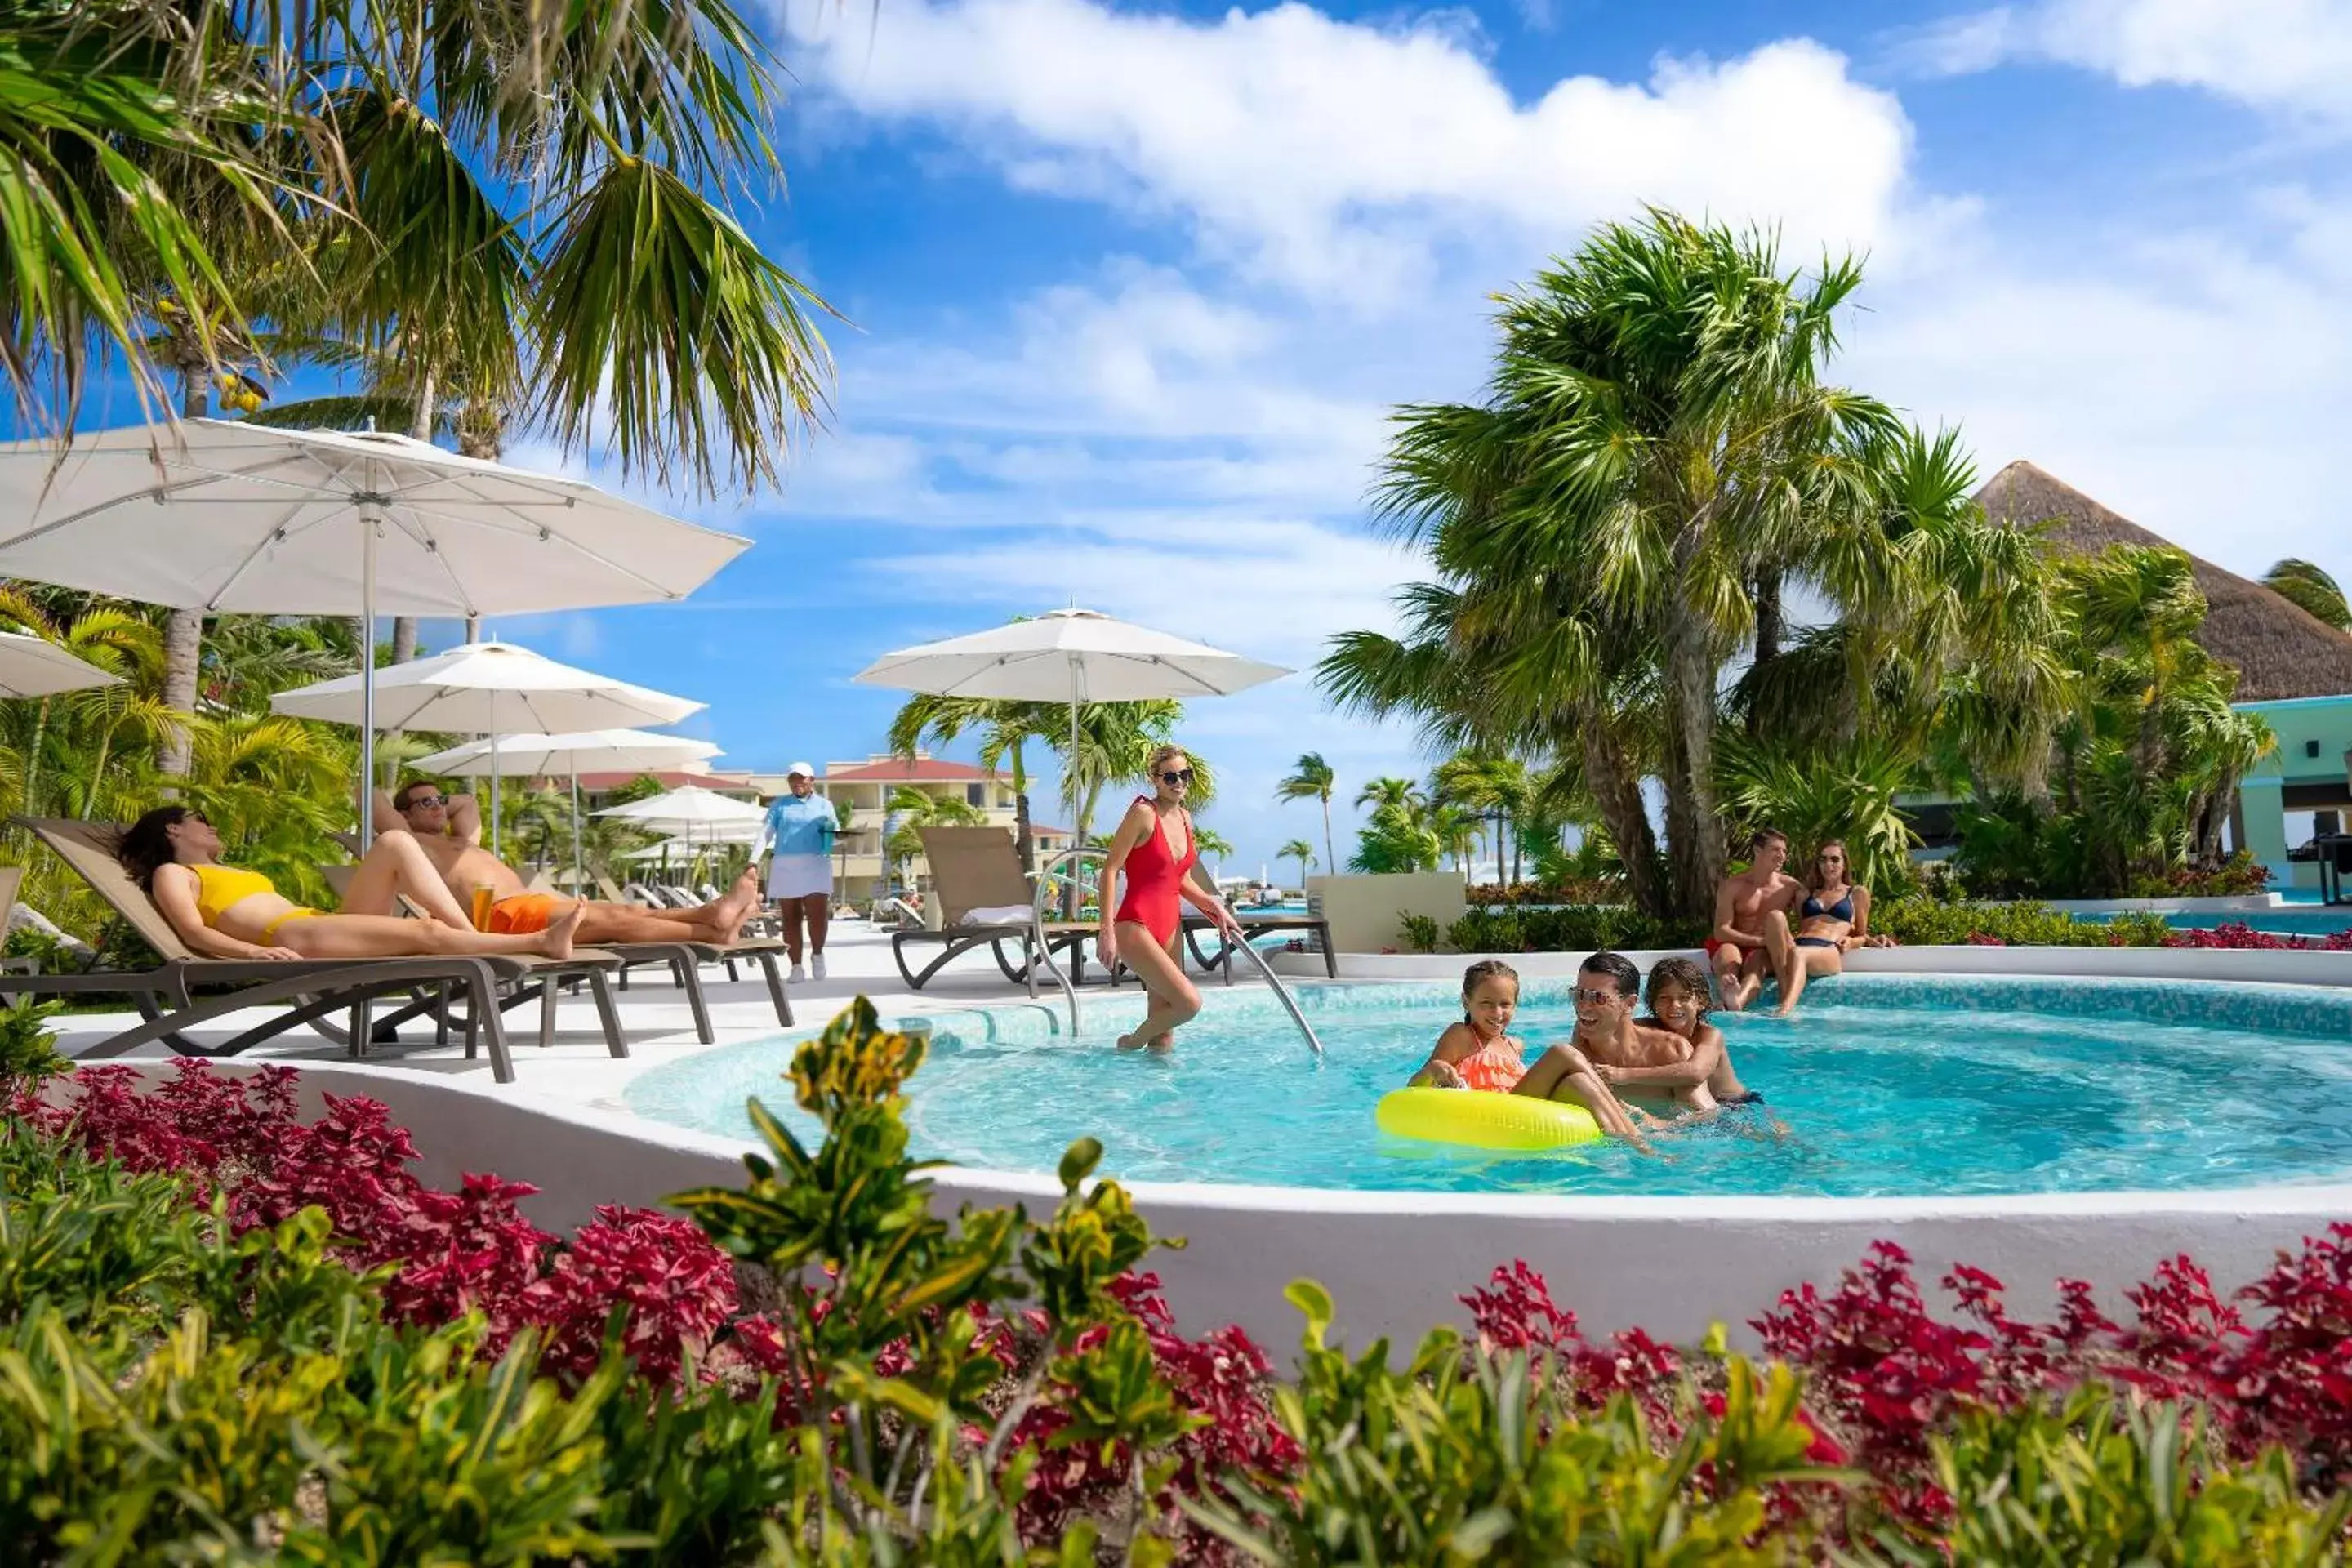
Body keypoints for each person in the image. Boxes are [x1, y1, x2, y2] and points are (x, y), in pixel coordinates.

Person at [120, 805, 583, 963]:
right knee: (425, 933)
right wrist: (252, 953)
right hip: (288, 936)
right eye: (200, 820)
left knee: (397, 841)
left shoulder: (232, 869)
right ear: (173, 830)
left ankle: (475, 937)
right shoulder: (174, 873)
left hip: (319, 923)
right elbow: (192, 933)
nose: (211, 826)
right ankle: (541, 942)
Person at [374, 782, 762, 947]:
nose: (441, 805)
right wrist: (407, 810)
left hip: (526, 903)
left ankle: (713, 918)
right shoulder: (411, 845)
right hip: (500, 917)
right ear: (403, 815)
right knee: (616, 924)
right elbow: (370, 797)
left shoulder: (460, 842)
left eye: (441, 798)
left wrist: (435, 802)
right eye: (426, 803)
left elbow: (468, 802)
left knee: (624, 911)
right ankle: (712, 927)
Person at [1096, 746, 1244, 1054]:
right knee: (1188, 1003)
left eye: (1184, 775)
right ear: (1155, 780)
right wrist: (1106, 931)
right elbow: (1110, 870)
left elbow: (1182, 880)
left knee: (1164, 1031)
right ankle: (1129, 1044)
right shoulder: (1143, 814)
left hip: (1170, 925)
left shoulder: (1187, 819)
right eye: (1171, 777)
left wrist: (1212, 906)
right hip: (1135, 924)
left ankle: (1159, 1097)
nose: (1179, 783)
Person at [1591, 956, 1766, 1113]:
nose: (1674, 1005)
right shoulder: (1650, 1028)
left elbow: (1696, 1072)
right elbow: (1613, 1028)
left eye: (1684, 998)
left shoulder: (1709, 1035)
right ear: (1653, 1002)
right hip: (1701, 1106)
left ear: (1701, 1002)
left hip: (1737, 1105)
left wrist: (1623, 1075)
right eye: (1664, 998)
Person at [1764, 838, 1894, 1017]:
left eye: (1834, 859)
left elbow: (1862, 935)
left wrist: (1852, 941)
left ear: (1845, 863)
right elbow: (1803, 926)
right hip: (1799, 945)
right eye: (1823, 859)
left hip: (1828, 951)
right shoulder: (1804, 893)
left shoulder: (1856, 893)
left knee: (1798, 953)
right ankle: (1784, 988)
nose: (1828, 864)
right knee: (1775, 917)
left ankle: (1784, 1010)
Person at [751, 762, 837, 983]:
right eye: (793, 778)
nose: (797, 782)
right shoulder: (780, 806)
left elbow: (833, 834)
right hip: (786, 864)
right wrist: (752, 861)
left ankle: (817, 954)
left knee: (818, 915)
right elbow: (766, 834)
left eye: (802, 778)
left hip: (817, 862)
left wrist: (835, 837)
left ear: (812, 780)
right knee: (791, 918)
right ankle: (796, 966)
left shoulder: (825, 805)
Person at [1708, 827, 1802, 1011]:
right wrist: (1759, 940)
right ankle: (1728, 986)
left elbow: (1813, 917)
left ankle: (1736, 1003)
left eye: (1784, 851)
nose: (1782, 855)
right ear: (1757, 850)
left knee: (1756, 964)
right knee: (1728, 955)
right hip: (1734, 942)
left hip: (1765, 951)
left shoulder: (1790, 886)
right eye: (1775, 849)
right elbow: (1721, 932)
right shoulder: (1732, 886)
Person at [1407, 959, 1530, 1091]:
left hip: (1513, 1108)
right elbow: (1414, 1087)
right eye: (1486, 1003)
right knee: (1557, 1054)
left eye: (1505, 1004)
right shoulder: (1461, 1036)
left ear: (1515, 1006)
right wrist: (1433, 1068)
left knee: (1556, 1058)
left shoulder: (1515, 1046)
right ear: (1466, 1002)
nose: (1497, 1013)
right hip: (1477, 1110)